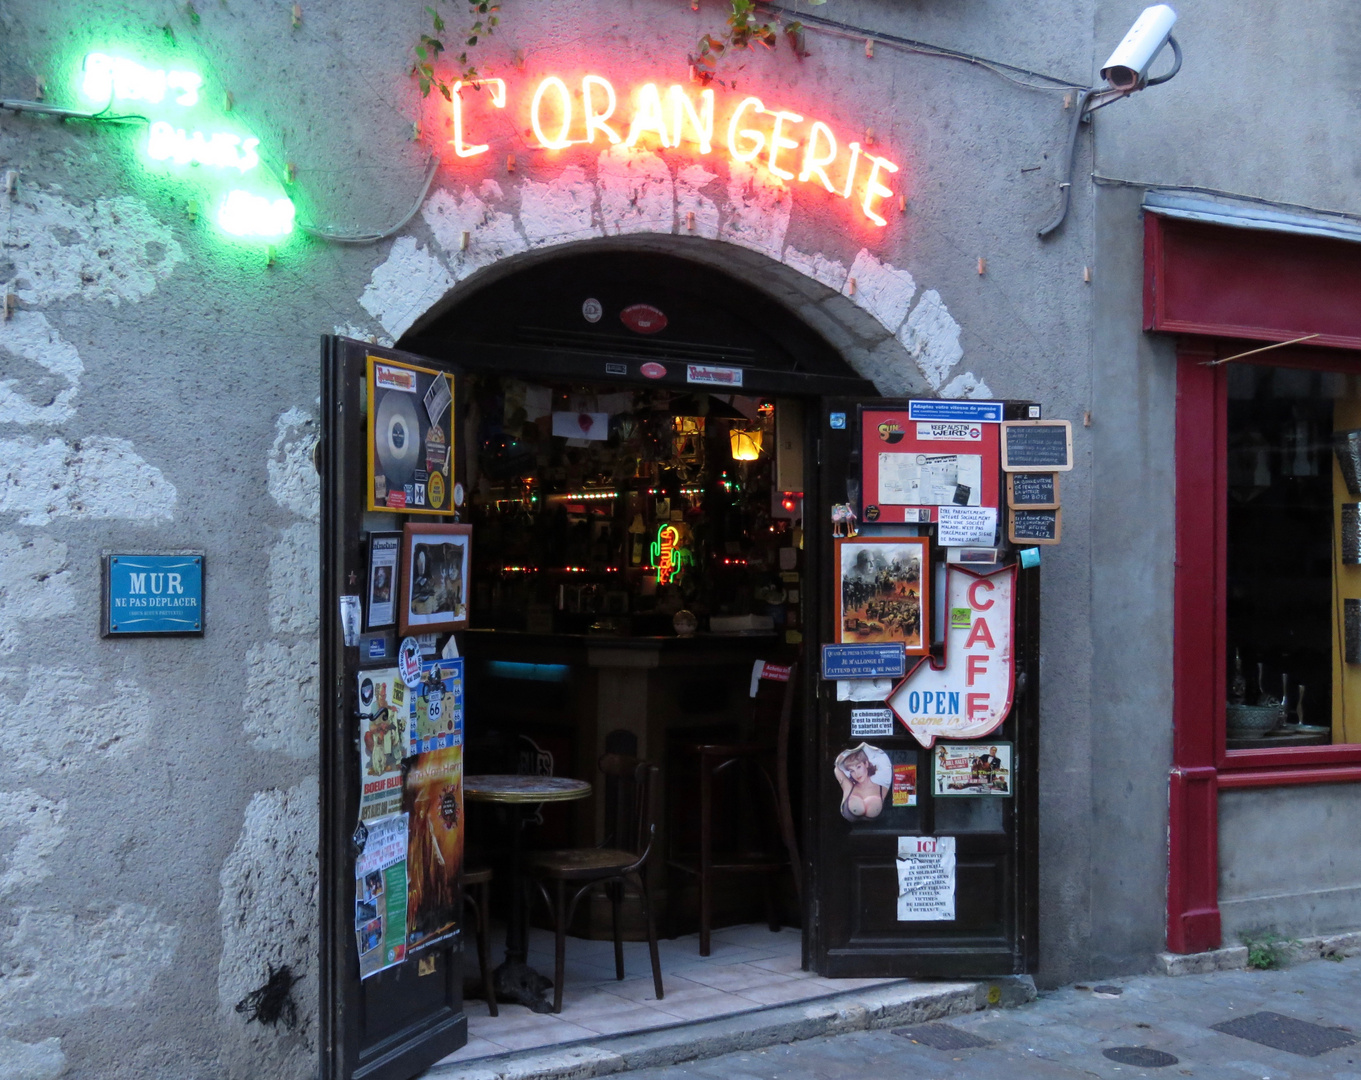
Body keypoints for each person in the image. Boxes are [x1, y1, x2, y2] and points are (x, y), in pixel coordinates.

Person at [834, 746, 888, 821]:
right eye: (852, 770)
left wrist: (864, 743)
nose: (856, 773)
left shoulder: (883, 789)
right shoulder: (849, 787)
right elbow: (837, 766)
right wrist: (854, 747)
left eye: (858, 767)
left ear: (866, 764)